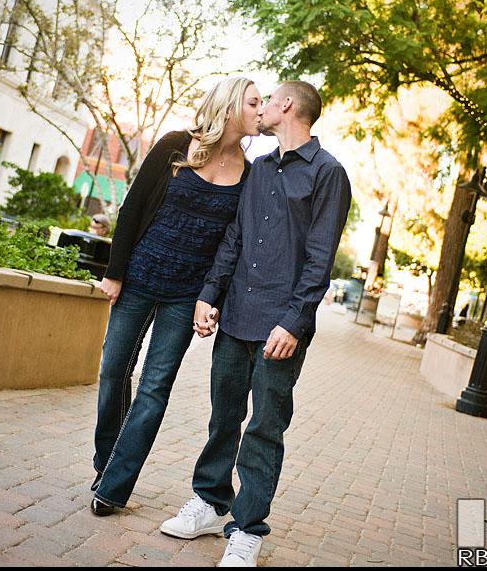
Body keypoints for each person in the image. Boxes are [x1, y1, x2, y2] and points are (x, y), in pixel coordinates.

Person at [159, 81, 351, 567]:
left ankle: (246, 530)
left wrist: (294, 321)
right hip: (236, 318)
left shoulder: (328, 174)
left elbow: (319, 258)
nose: (260, 109)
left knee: (264, 428)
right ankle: (208, 503)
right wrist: (209, 295)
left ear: (287, 105)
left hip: (280, 331)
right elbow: (235, 239)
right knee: (223, 418)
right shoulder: (259, 168)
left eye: (267, 101)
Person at [89, 77, 264, 517]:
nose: (262, 110)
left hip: (186, 295)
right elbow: (132, 207)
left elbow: (235, 245)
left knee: (155, 388)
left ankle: (113, 486)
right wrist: (114, 273)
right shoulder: (174, 145)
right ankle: (105, 461)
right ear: (229, 107)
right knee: (112, 371)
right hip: (139, 278)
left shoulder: (251, 174)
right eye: (254, 102)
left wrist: (213, 299)